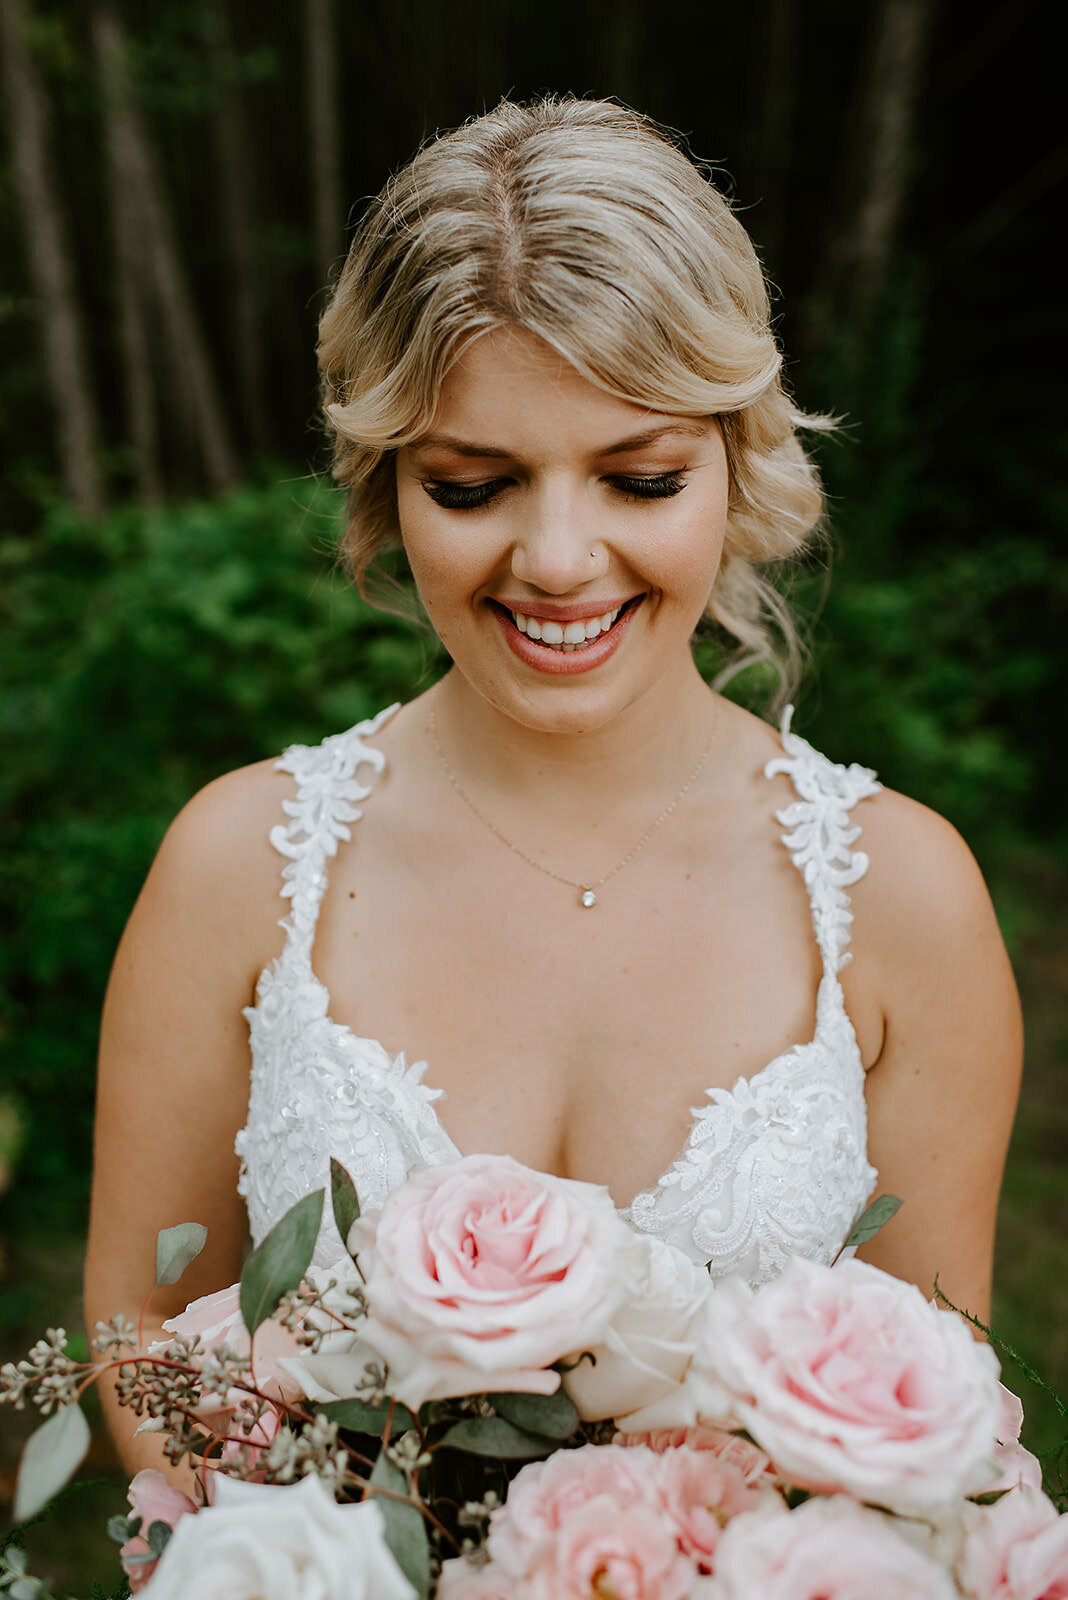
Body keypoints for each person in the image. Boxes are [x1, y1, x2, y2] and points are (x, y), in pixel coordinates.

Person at [83, 96, 1022, 1481]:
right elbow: (143, 1338)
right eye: (475, 487)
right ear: (385, 486)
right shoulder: (236, 866)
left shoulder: (903, 900)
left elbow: (935, 1427)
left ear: (735, 465)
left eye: (639, 478)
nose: (561, 558)